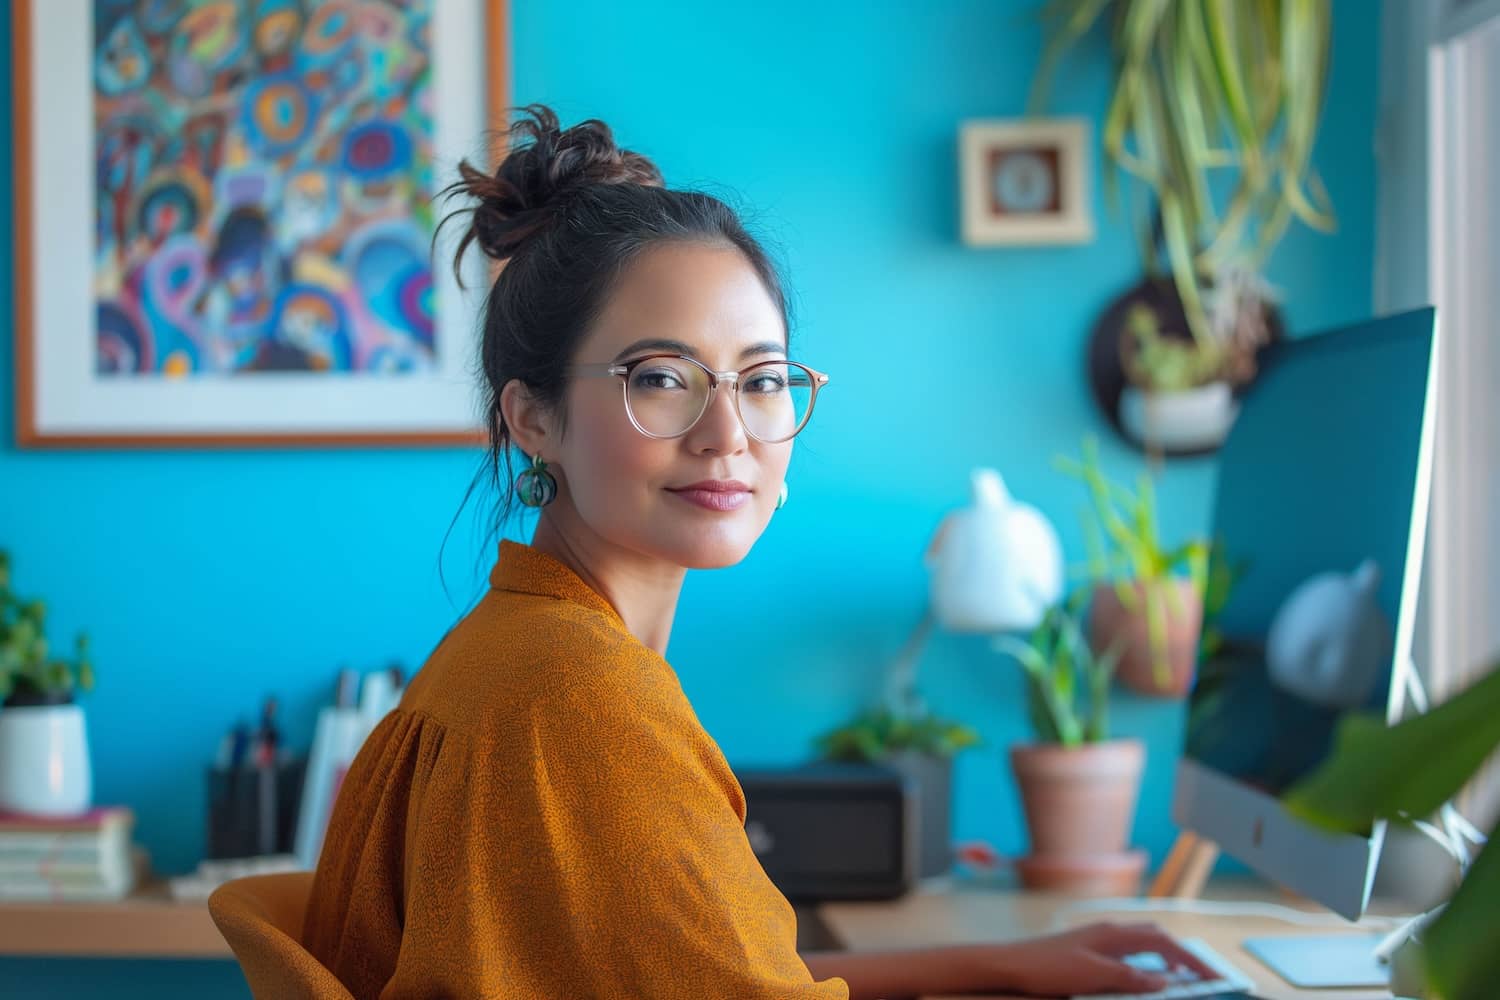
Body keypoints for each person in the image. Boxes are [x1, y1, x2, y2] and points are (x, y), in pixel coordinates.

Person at [302, 103, 1178, 999]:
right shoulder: (583, 704)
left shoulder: (517, 645)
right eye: (660, 378)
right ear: (533, 418)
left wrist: (999, 963)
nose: (728, 434)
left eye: (761, 380)